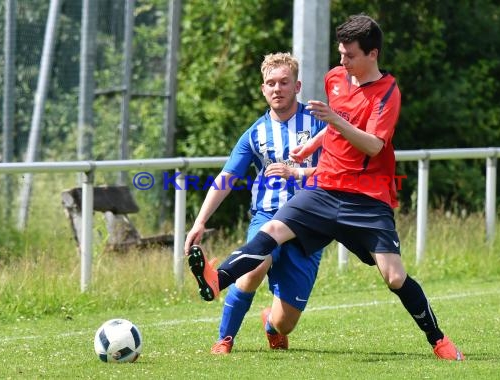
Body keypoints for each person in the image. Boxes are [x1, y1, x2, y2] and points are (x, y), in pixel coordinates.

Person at [188, 14, 465, 361]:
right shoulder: (335, 78)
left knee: (394, 277)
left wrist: (331, 122)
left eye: (350, 55)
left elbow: (374, 145)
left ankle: (439, 341)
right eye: (340, 54)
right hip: (324, 189)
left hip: (366, 198)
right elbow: (337, 123)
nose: (342, 62)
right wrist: (312, 143)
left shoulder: (387, 93)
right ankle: (218, 280)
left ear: (372, 54)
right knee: (271, 228)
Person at [185, 52, 326, 354]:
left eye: (284, 82)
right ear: (263, 89)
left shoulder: (318, 125)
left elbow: (338, 170)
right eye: (271, 83)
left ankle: (271, 323)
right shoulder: (255, 134)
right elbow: (226, 178)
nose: (277, 88)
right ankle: (225, 338)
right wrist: (200, 221)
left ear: (297, 86)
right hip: (268, 216)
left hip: (309, 224)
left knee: (285, 323)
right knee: (253, 268)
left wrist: (299, 172)